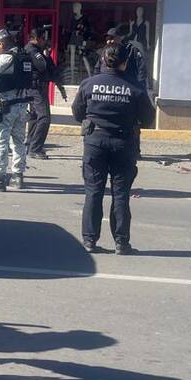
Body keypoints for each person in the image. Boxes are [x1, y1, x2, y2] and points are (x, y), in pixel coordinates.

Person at [72, 42, 155, 255]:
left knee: (93, 192)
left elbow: (77, 113)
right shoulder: (135, 87)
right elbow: (148, 118)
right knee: (120, 194)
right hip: (123, 143)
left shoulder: (89, 84)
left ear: (102, 60)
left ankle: (89, 241)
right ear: (125, 63)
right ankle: (121, 243)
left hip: (95, 142)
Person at [0, 29, 33, 191]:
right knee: (18, 142)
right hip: (23, 106)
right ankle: (18, 177)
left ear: (2, 43)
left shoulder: (4, 58)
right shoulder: (24, 57)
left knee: (0, 142)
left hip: (6, 107)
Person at [24, 28, 67, 160]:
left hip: (35, 88)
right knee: (44, 118)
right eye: (43, 39)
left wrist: (60, 87)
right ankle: (35, 148)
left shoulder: (33, 50)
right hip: (36, 88)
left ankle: (30, 145)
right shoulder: (32, 51)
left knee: (35, 117)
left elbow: (51, 69)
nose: (45, 41)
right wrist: (46, 56)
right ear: (37, 39)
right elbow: (43, 66)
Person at [96, 24, 148, 89]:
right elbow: (97, 68)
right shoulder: (105, 51)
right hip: (107, 86)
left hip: (127, 85)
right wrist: (97, 83)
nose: (109, 41)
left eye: (111, 38)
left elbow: (142, 69)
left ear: (119, 38)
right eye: (107, 39)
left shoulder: (131, 50)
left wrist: (140, 86)